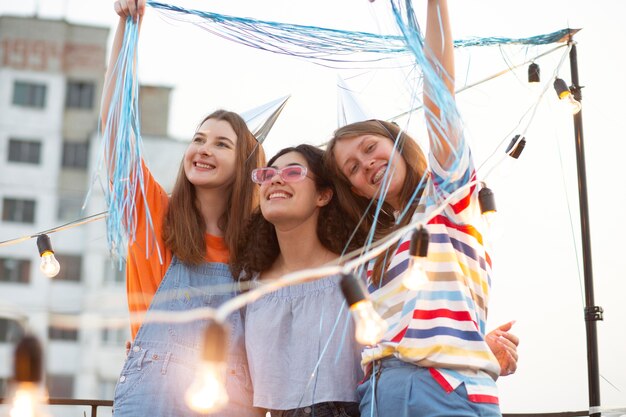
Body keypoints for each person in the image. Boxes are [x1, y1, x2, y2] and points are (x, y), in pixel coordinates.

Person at [323, 0, 517, 416]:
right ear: (354, 189)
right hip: (378, 396)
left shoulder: (446, 195)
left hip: (441, 390)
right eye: (352, 167)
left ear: (397, 142)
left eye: (371, 147)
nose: (367, 164)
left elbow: (439, 94)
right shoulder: (372, 254)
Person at [102, 1, 265, 416]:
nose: (203, 149)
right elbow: (116, 127)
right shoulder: (153, 213)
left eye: (221, 143)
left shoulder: (263, 240)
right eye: (199, 138)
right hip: (150, 395)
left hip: (231, 399)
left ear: (245, 164)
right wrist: (127, 28)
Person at [232, 145, 363, 417]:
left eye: (293, 172)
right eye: (267, 175)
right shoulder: (249, 283)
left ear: (323, 195)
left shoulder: (356, 272)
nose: (276, 180)